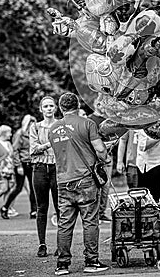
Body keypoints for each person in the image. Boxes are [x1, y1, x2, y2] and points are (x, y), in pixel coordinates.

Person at [49, 92, 109, 275]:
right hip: (85, 180)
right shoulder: (87, 123)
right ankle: (91, 262)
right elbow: (100, 150)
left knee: (65, 224)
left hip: (63, 181)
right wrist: (104, 154)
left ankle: (62, 265)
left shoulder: (52, 128)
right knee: (90, 221)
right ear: (77, 105)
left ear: (60, 108)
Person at [30, 96, 59, 257]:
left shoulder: (60, 125)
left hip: (57, 167)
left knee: (60, 207)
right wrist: (50, 143)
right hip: (40, 168)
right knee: (41, 208)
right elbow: (33, 149)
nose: (48, 108)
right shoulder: (35, 127)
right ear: (41, 109)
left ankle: (61, 245)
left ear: (55, 108)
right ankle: (42, 244)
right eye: (45, 106)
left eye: (51, 106)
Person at [0, 115, 37, 219]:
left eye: (33, 123)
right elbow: (15, 150)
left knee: (33, 188)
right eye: (30, 123)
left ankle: (34, 211)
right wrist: (19, 166)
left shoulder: (34, 134)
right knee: (18, 188)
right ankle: (5, 208)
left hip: (31, 163)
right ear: (26, 123)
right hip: (22, 164)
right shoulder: (19, 134)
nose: (32, 125)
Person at [88, 105, 112, 223]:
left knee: (106, 186)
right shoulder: (90, 120)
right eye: (101, 104)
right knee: (96, 185)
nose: (103, 106)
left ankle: (102, 213)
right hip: (95, 157)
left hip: (107, 155)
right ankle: (95, 213)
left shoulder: (108, 119)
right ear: (96, 105)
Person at [0, 125, 14, 206]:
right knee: (4, 189)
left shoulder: (8, 143)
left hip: (9, 170)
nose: (11, 134)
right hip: (1, 170)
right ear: (4, 133)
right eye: (9, 132)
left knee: (9, 189)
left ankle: (6, 208)